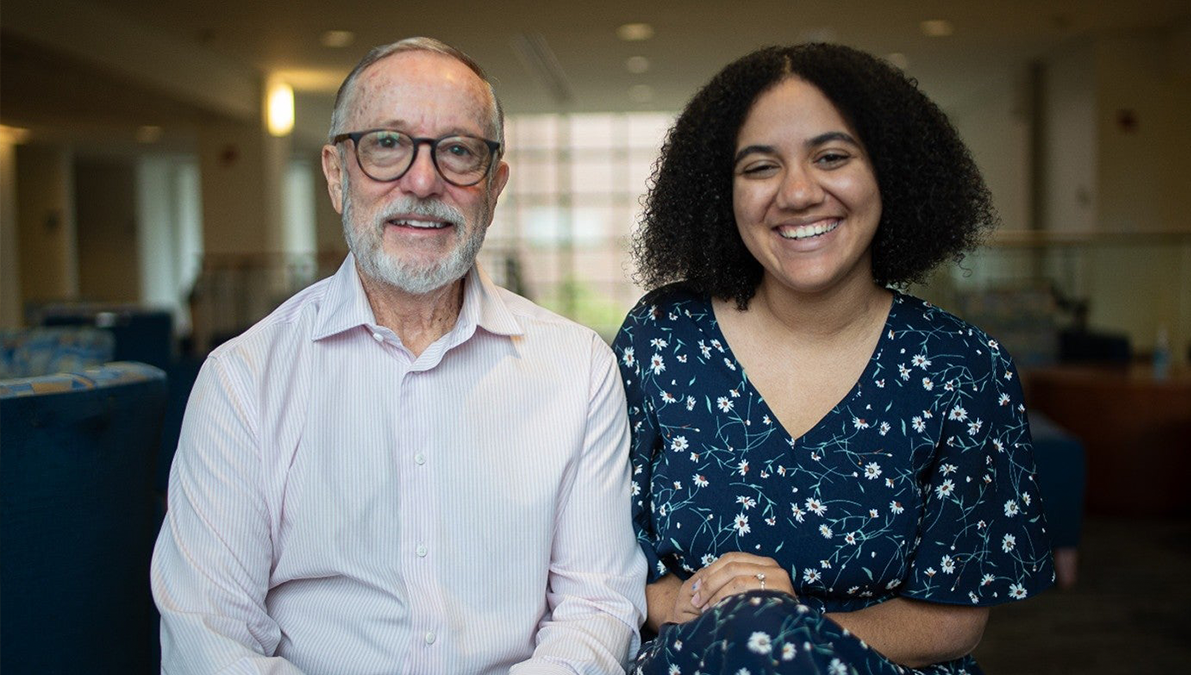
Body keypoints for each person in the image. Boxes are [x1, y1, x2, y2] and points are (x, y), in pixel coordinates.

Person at [152, 37, 646, 674]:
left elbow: (598, 607)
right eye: (388, 144)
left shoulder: (578, 371)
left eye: (459, 151)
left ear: (494, 186)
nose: (422, 180)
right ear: (337, 174)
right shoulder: (242, 380)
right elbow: (207, 639)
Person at [612, 43, 1054, 675]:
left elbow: (954, 621)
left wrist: (785, 629)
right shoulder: (662, 338)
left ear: (889, 170)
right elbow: (598, 559)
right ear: (720, 193)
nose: (796, 193)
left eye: (832, 157)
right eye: (761, 167)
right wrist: (681, 601)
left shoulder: (963, 367)